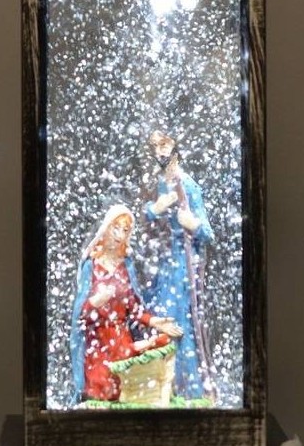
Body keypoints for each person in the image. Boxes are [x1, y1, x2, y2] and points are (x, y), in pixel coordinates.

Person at [69, 205, 181, 404]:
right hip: (98, 345)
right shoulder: (91, 266)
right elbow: (80, 315)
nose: (119, 235)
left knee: (128, 391)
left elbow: (134, 307)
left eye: (125, 230)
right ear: (106, 228)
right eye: (116, 228)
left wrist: (154, 321)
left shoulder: (125, 266)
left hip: (122, 341)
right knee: (102, 394)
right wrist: (95, 302)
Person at [142, 130, 215, 402]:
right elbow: (143, 219)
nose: (160, 151)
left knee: (178, 319)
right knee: (158, 316)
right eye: (155, 146)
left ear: (174, 147)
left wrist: (192, 224)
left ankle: (186, 387)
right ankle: (157, 386)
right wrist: (154, 209)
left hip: (182, 266)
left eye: (164, 145)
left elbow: (207, 232)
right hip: (160, 263)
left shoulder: (188, 186)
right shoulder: (157, 184)